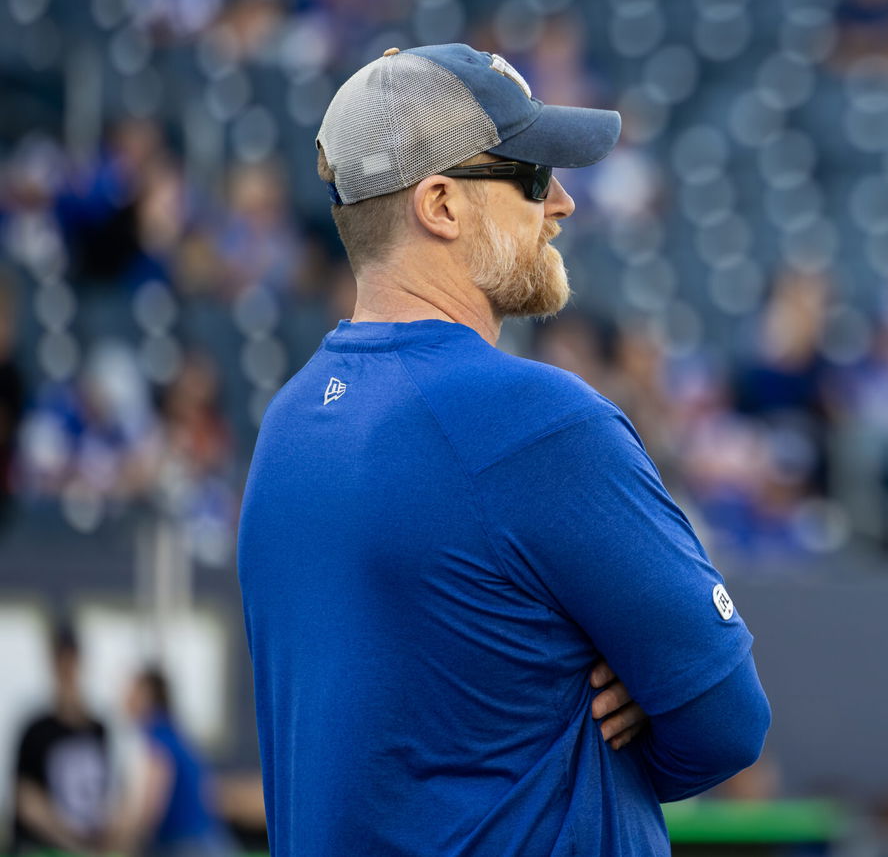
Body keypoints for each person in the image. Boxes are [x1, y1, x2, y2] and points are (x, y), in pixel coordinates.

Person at [237, 43, 770, 857]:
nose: (562, 203)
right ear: (441, 205)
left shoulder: (288, 423)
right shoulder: (536, 419)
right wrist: (609, 725)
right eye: (531, 175)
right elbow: (729, 722)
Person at [106, 667, 235, 857]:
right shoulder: (175, 734)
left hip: (188, 846)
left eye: (131, 691)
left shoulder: (158, 739)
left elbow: (150, 807)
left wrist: (122, 844)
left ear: (147, 695)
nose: (124, 699)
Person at [10, 623, 112, 854]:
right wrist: (71, 840)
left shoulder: (98, 729)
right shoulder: (35, 731)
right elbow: (27, 801)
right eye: (61, 660)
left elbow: (102, 796)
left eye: (71, 659)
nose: (67, 668)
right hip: (42, 847)